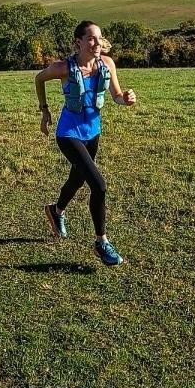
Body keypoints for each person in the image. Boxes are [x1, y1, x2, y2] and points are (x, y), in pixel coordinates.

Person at [34, 20, 136, 266]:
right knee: (99, 185)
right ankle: (102, 242)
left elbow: (116, 97)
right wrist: (45, 111)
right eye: (91, 38)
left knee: (78, 179)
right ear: (78, 42)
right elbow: (39, 79)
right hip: (68, 133)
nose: (97, 43)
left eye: (99, 38)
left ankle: (55, 210)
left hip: (93, 132)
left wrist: (127, 100)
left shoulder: (107, 64)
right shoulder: (63, 68)